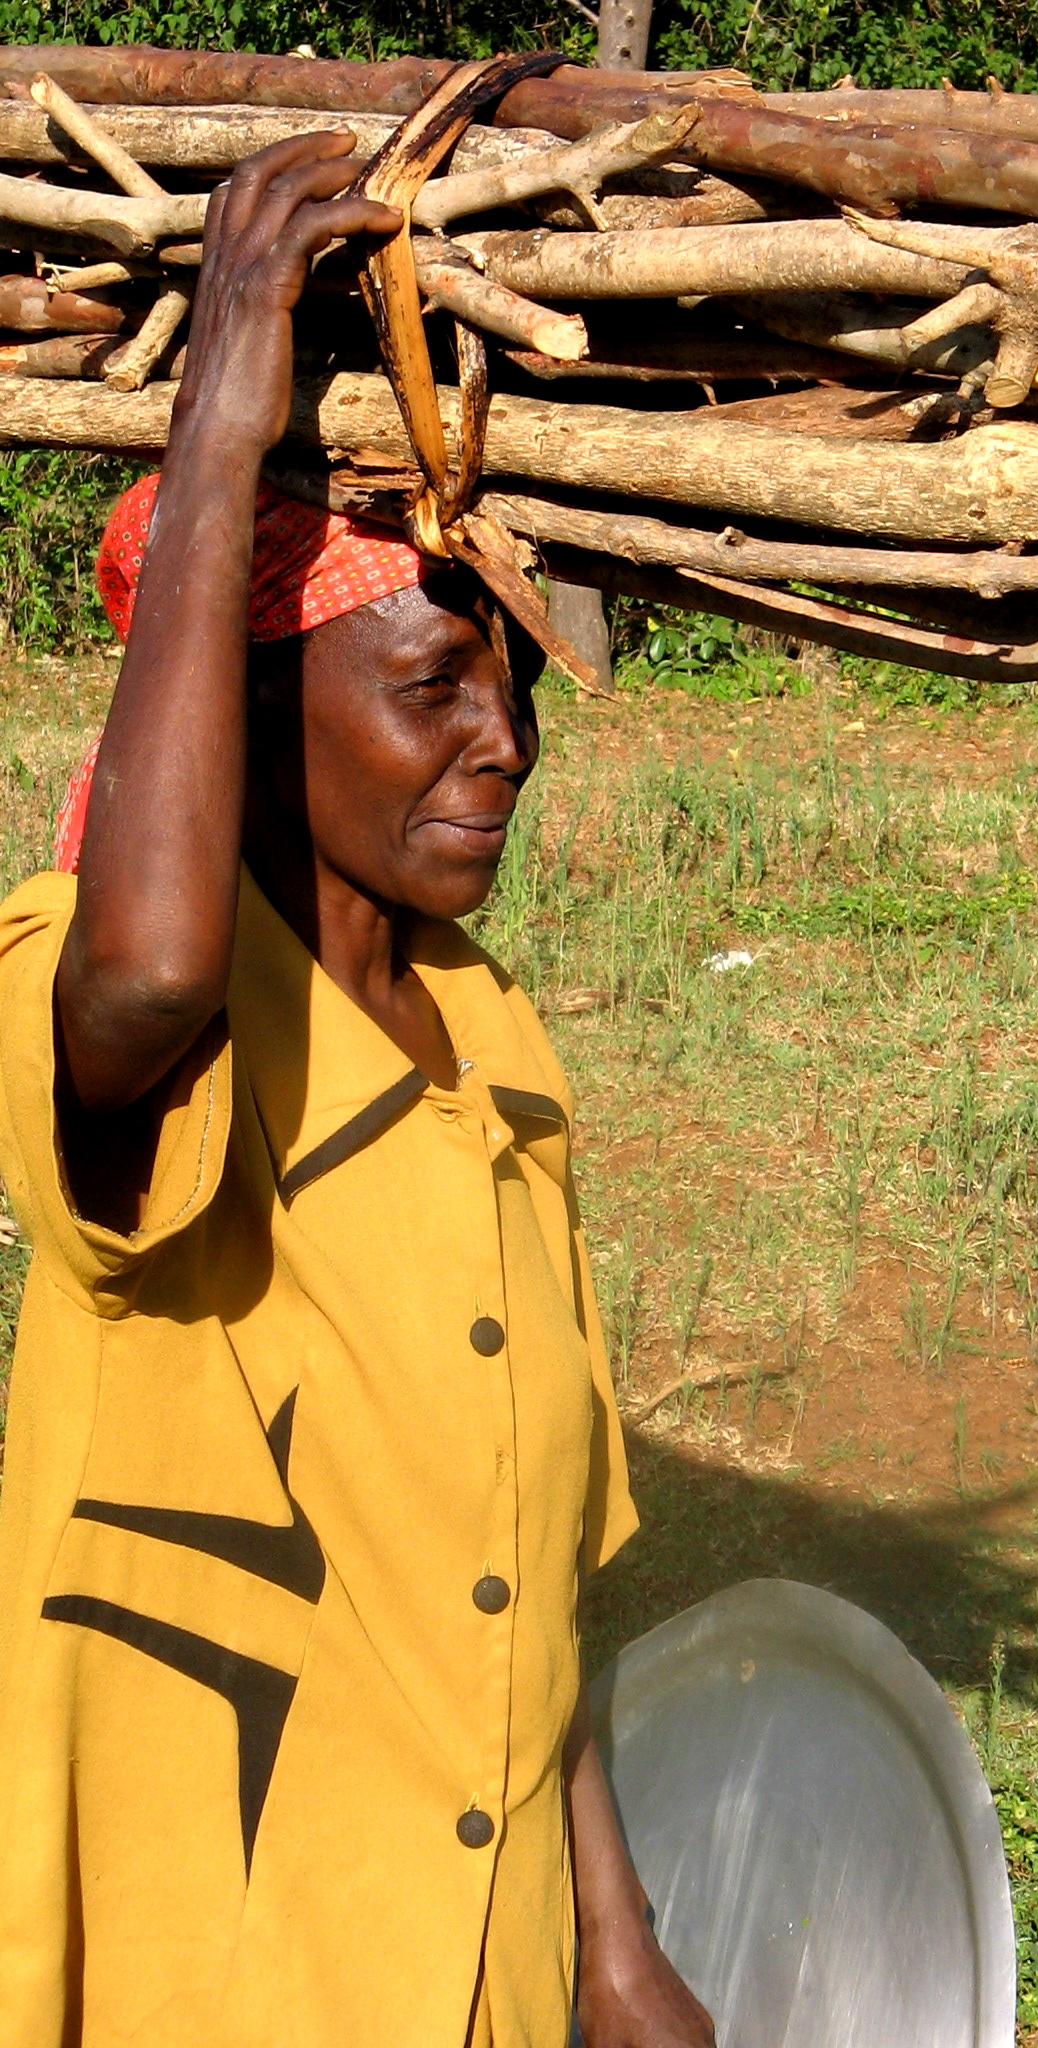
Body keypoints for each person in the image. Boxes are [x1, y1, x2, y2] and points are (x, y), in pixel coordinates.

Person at [0, 132, 714, 2048]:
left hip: (476, 1971)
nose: (508, 746)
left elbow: (525, 1568)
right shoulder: (116, 998)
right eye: (432, 687)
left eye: (518, 692)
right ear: (252, 703)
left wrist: (618, 1938)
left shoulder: (495, 1039)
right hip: (229, 1966)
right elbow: (142, 973)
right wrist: (225, 406)